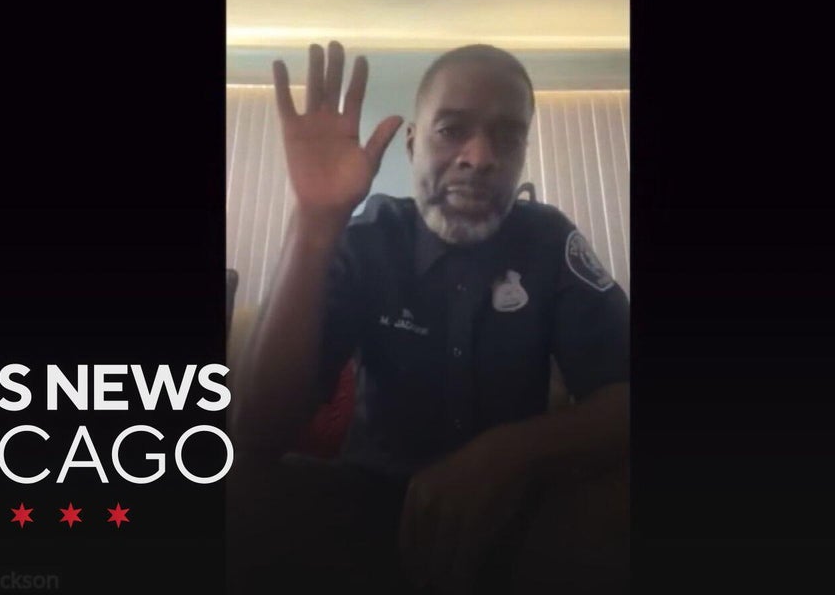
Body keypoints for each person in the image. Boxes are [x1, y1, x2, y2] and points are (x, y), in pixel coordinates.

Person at [227, 41, 630, 595]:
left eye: (507, 136)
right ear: (413, 143)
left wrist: (505, 455)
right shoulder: (369, 239)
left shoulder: (549, 241)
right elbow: (258, 433)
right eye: (451, 129)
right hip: (363, 508)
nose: (480, 157)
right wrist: (314, 225)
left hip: (520, 516)